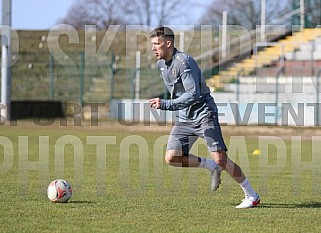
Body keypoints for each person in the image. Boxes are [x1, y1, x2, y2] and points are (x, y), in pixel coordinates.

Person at [148, 26, 260, 208]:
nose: (153, 48)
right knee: (172, 157)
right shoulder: (161, 65)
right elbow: (177, 92)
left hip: (204, 115)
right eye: (152, 44)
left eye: (156, 44)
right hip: (185, 118)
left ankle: (252, 196)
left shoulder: (184, 62)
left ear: (168, 43)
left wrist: (166, 104)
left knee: (221, 159)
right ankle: (210, 167)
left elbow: (193, 94)